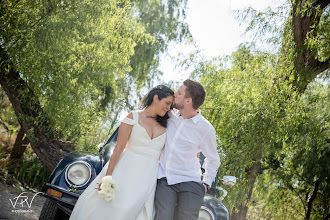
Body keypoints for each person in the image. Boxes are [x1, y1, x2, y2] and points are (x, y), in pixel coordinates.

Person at [70, 85, 174, 220]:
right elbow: (118, 148)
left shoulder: (168, 125)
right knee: (112, 208)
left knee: (132, 211)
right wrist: (107, 178)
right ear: (156, 98)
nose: (168, 108)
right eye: (167, 103)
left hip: (148, 176)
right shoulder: (133, 117)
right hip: (125, 170)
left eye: (170, 106)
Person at [154, 79, 221, 220]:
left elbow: (213, 159)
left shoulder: (206, 129)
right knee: (162, 216)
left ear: (188, 101)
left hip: (190, 181)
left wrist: (205, 184)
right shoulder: (169, 113)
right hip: (165, 178)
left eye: (179, 93)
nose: (174, 95)